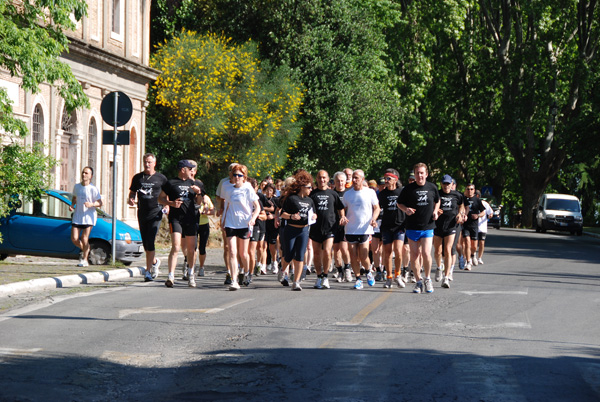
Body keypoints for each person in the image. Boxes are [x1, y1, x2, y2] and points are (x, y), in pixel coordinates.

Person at [158, 160, 204, 288]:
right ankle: (171, 276)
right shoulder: (170, 183)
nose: (192, 171)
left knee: (191, 249)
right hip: (176, 218)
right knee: (176, 246)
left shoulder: (196, 183)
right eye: (190, 169)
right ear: (183, 170)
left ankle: (190, 273)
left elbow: (199, 203)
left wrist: (198, 193)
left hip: (191, 219)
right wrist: (171, 204)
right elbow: (160, 198)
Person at [397, 163, 440, 294]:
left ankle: (427, 279)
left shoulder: (432, 187)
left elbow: (437, 200)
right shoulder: (408, 189)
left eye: (422, 173)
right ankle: (418, 281)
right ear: (414, 175)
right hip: (412, 226)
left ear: (426, 174)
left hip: (427, 225)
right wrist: (406, 209)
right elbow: (399, 203)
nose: (420, 175)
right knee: (414, 255)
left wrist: (436, 211)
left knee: (426, 253)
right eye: (417, 173)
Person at [128, 153, 168, 282]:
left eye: (149, 162)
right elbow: (132, 192)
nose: (147, 164)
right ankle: (155, 262)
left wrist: (168, 206)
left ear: (154, 163)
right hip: (142, 212)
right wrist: (131, 199)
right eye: (145, 161)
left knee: (150, 240)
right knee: (145, 243)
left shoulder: (161, 178)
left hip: (156, 212)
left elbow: (168, 195)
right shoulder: (138, 178)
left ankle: (148, 271)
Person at [220, 164, 261, 290]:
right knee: (232, 251)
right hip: (231, 223)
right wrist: (223, 220)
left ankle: (247, 272)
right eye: (234, 175)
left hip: (244, 223)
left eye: (239, 175)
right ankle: (234, 280)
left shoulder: (248, 188)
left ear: (244, 177)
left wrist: (253, 219)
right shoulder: (227, 188)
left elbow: (257, 207)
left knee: (243, 254)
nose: (237, 177)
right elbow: (226, 205)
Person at [342, 169, 380, 290]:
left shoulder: (370, 192)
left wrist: (374, 219)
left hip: (365, 228)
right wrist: (342, 216)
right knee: (353, 256)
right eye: (353, 177)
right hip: (350, 229)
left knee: (364, 255)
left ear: (362, 179)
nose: (354, 180)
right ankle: (358, 279)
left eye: (357, 178)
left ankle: (368, 272)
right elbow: (342, 207)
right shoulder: (348, 194)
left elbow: (377, 208)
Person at [279, 170, 317, 290]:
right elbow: (282, 214)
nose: (311, 189)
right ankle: (283, 269)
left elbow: (314, 213)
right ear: (302, 187)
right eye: (309, 187)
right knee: (288, 255)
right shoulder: (291, 199)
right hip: (291, 230)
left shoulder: (310, 200)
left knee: (300, 256)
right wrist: (291, 216)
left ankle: (296, 282)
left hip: (304, 231)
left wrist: (315, 216)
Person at [309, 170, 346, 289]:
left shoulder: (333, 194)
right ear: (317, 179)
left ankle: (325, 276)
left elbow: (340, 208)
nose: (322, 180)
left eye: (324, 177)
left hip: (330, 227)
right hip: (315, 228)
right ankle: (319, 276)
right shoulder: (312, 194)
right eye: (319, 178)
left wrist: (342, 217)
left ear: (328, 178)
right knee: (316, 253)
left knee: (327, 251)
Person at [433, 174, 466, 288]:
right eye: (444, 184)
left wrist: (460, 214)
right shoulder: (437, 194)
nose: (446, 186)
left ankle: (446, 277)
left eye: (448, 184)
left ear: (452, 184)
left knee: (448, 250)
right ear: (441, 184)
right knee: (438, 251)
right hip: (438, 225)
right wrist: (436, 211)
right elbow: (432, 206)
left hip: (451, 225)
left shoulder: (457, 195)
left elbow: (462, 205)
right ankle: (438, 267)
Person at [377, 168, 406, 289]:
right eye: (385, 178)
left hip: (399, 225)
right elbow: (377, 207)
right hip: (386, 226)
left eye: (388, 178)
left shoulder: (402, 192)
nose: (386, 181)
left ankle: (398, 275)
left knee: (398, 251)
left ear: (395, 180)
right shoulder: (382, 194)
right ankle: (389, 277)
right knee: (387, 252)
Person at [70, 166, 103, 267]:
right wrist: (72, 205)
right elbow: (75, 197)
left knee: (84, 238)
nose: (84, 175)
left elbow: (100, 203)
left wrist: (91, 204)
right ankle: (86, 249)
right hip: (78, 215)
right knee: (74, 238)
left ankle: (84, 259)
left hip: (89, 216)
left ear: (91, 176)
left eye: (86, 173)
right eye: (83, 173)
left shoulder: (93, 189)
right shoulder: (77, 187)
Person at [331, 171, 352, 283]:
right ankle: (339, 271)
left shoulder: (349, 193)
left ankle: (347, 268)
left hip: (346, 224)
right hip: (334, 224)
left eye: (342, 180)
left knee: (344, 248)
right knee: (336, 250)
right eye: (337, 181)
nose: (340, 183)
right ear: (334, 182)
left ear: (345, 181)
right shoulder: (331, 193)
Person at [461, 184, 486, 271]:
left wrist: (478, 215)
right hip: (465, 225)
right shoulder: (463, 199)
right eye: (468, 189)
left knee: (474, 246)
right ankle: (468, 262)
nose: (469, 191)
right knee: (467, 243)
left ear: (474, 190)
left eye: (471, 189)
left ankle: (473, 255)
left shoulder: (477, 200)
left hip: (474, 225)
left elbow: (483, 212)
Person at [476, 190, 494, 265]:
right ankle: (471, 256)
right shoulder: (471, 203)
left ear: (477, 196)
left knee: (481, 243)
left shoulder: (484, 204)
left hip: (482, 227)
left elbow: (491, 212)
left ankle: (479, 257)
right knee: (472, 244)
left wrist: (490, 215)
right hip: (473, 227)